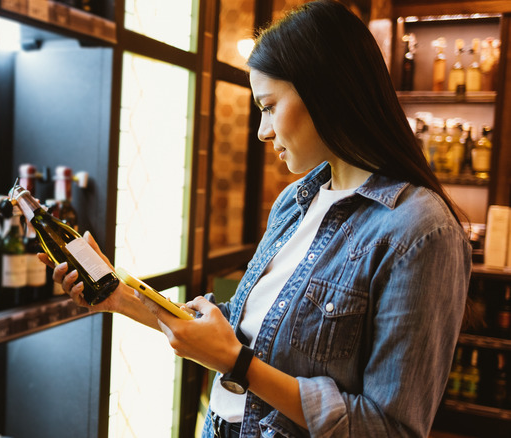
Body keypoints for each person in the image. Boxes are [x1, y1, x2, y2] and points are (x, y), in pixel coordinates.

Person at [40, 1, 472, 436]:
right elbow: (243, 329)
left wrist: (236, 363)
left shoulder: (419, 230)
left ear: (325, 93)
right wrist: (117, 293)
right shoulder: (295, 201)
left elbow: (390, 428)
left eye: (268, 106)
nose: (262, 131)